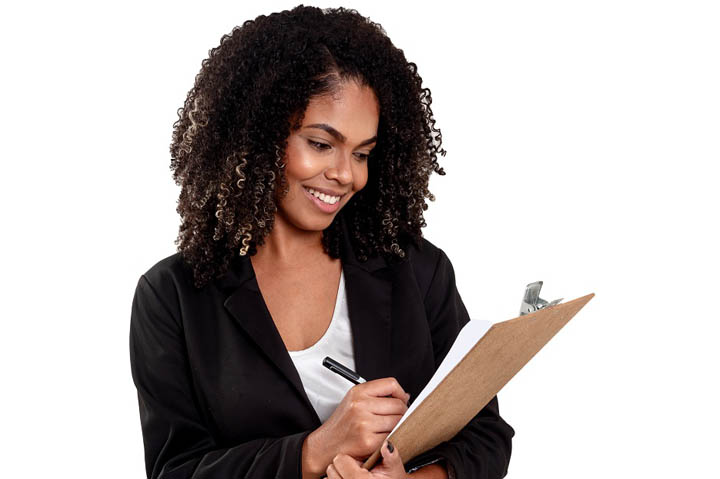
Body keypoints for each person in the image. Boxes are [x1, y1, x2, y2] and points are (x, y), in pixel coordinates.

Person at [129, 5, 514, 479]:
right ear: (257, 134)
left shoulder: (415, 269)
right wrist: (315, 449)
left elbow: (486, 434)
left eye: (362, 153)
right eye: (320, 143)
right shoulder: (173, 296)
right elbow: (175, 471)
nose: (345, 175)